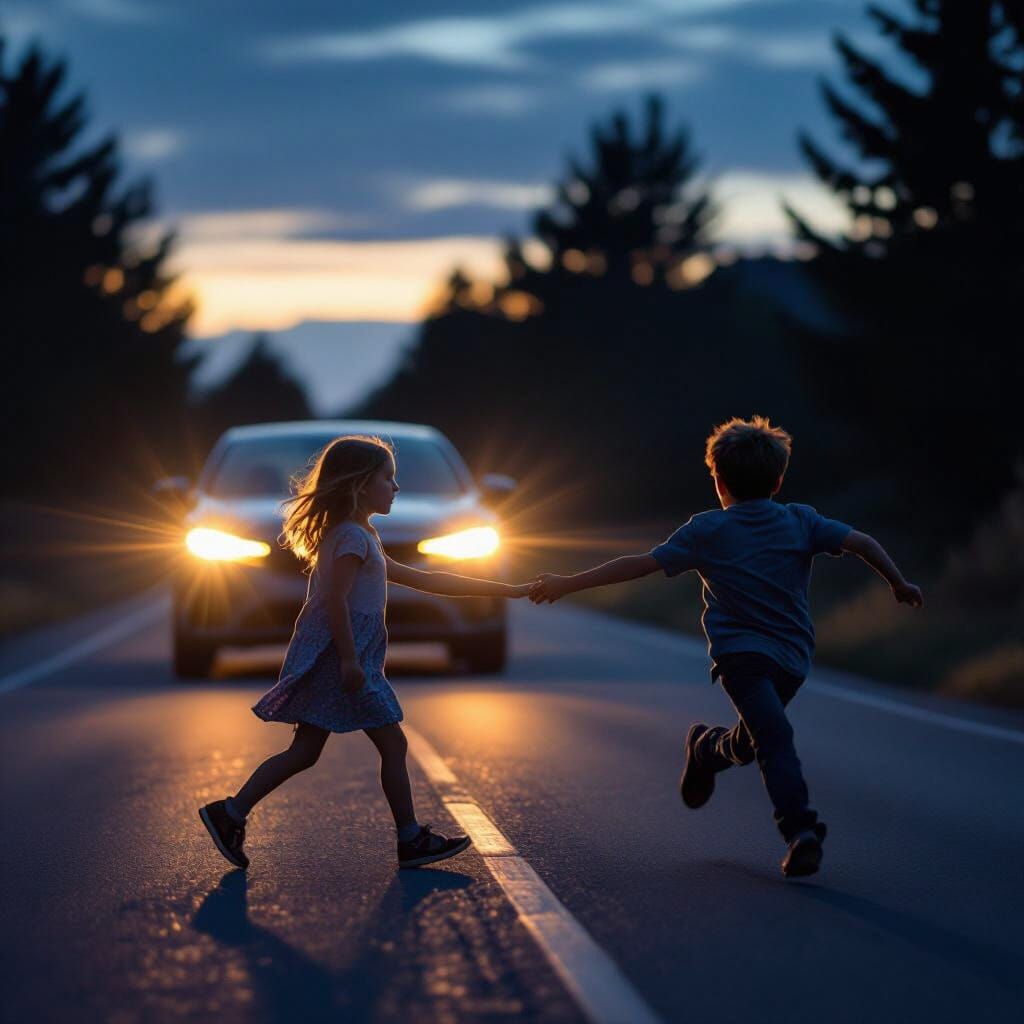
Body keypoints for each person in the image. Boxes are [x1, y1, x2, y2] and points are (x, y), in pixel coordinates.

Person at [530, 416, 922, 877]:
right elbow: (862, 542)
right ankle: (800, 830)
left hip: (789, 660)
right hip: (744, 658)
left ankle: (705, 751)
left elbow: (638, 565)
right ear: (778, 479)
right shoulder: (799, 520)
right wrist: (897, 582)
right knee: (775, 736)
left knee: (756, 738)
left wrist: (567, 582)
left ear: (717, 479)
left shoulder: (713, 529)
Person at [200, 435, 531, 871]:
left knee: (306, 751)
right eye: (388, 478)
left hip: (347, 657)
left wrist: (509, 589)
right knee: (392, 742)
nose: (395, 487)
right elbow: (334, 601)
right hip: (344, 659)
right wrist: (350, 660)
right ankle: (410, 838)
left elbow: (427, 580)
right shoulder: (352, 538)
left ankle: (231, 813)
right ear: (359, 485)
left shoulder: (361, 535)